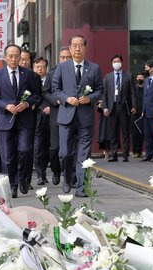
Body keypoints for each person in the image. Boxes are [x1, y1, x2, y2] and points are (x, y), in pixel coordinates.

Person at [52, 35, 103, 196]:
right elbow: (55, 88)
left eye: (80, 45)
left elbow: (100, 90)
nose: (77, 48)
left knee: (84, 155)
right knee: (65, 153)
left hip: (85, 117)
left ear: (85, 48)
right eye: (74, 45)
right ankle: (67, 178)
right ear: (70, 48)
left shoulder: (94, 68)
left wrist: (90, 98)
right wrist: (67, 98)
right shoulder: (62, 67)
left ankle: (82, 188)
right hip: (66, 116)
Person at [0, 44, 41, 198]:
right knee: (7, 156)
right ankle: (12, 185)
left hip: (25, 120)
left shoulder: (29, 74)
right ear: (5, 57)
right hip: (5, 120)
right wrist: (6, 106)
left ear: (20, 57)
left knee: (25, 150)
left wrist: (27, 103)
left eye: (16, 56)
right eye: (10, 56)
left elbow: (37, 95)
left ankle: (24, 178)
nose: (13, 59)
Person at [42, 47, 71, 185]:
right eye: (62, 57)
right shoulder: (51, 74)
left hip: (72, 113)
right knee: (55, 147)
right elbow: (45, 92)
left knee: (70, 147)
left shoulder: (77, 73)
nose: (65, 60)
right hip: (56, 114)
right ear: (59, 58)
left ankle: (70, 175)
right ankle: (56, 171)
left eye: (67, 57)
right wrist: (55, 100)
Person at [103, 54, 136, 162]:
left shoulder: (128, 76)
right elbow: (105, 94)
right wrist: (105, 107)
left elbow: (132, 92)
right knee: (113, 132)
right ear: (112, 63)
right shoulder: (107, 77)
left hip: (124, 107)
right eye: (114, 61)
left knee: (125, 132)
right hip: (112, 107)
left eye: (118, 61)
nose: (116, 63)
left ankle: (125, 154)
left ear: (121, 62)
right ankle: (114, 154)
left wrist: (134, 106)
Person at [33, 57, 50, 184]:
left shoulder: (51, 80)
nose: (40, 69)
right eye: (38, 66)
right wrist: (42, 107)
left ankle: (47, 170)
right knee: (38, 147)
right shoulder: (31, 81)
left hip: (51, 118)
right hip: (37, 118)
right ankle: (40, 175)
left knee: (49, 147)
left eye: (42, 67)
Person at [132, 72, 145, 158]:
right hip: (135, 113)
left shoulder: (147, 88)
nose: (140, 78)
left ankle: (142, 150)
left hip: (144, 113)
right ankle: (136, 151)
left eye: (141, 77)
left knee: (143, 133)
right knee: (135, 133)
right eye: (138, 77)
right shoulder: (134, 88)